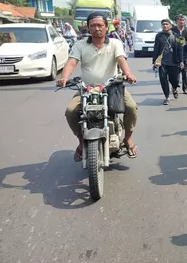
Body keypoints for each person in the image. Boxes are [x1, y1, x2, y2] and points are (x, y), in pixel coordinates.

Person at [58, 12, 138, 160]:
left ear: (106, 27)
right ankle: (81, 142)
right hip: (87, 89)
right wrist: (64, 78)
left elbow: (121, 59)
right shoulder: (80, 45)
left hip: (113, 87)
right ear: (88, 28)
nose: (96, 28)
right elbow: (71, 62)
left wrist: (128, 74)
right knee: (70, 111)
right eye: (93, 25)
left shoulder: (115, 44)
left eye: (100, 25)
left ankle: (127, 138)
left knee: (131, 107)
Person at [152, 19, 184, 105]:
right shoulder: (159, 36)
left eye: (166, 24)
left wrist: (181, 61)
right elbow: (156, 49)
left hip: (174, 61)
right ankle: (167, 97)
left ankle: (174, 88)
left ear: (170, 25)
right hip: (162, 62)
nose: (165, 26)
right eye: (163, 24)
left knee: (174, 79)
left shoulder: (176, 36)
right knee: (163, 79)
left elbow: (180, 49)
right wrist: (154, 62)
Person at [173, 15, 187, 95]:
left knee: (186, 72)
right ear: (176, 21)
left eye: (183, 20)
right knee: (175, 73)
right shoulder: (173, 31)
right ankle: (174, 87)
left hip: (185, 55)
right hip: (175, 55)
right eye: (180, 20)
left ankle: (185, 87)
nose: (181, 21)